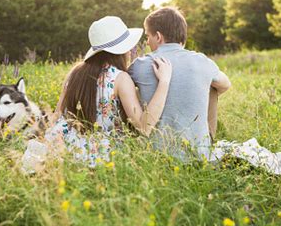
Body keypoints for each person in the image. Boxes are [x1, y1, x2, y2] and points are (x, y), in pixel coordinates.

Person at [21, 16, 172, 172]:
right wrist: (164, 82)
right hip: (102, 155)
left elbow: (58, 115)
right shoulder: (120, 78)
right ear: (121, 50)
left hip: (66, 147)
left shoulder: (75, 73)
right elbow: (143, 126)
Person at [128, 7, 231, 161]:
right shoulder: (202, 61)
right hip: (199, 157)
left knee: (130, 91)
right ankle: (207, 140)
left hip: (155, 156)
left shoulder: (140, 65)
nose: (147, 42)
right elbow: (225, 85)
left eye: (148, 36)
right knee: (212, 87)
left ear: (158, 36)